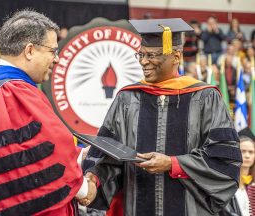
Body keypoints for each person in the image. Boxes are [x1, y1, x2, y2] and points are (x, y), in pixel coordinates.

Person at [82, 18, 242, 216]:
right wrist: (93, 179)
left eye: (152, 55)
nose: (143, 61)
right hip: (136, 207)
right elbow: (107, 154)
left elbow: (224, 160)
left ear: (176, 56)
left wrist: (173, 164)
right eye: (140, 54)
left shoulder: (205, 97)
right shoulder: (127, 99)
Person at [0, 9, 96, 216]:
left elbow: (24, 150)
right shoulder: (13, 93)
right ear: (29, 50)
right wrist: (84, 187)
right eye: (52, 51)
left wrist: (81, 155)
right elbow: (42, 159)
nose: (56, 59)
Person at [221, 128, 255, 216]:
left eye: (251, 152)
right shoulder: (226, 183)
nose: (247, 155)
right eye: (243, 151)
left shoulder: (253, 183)